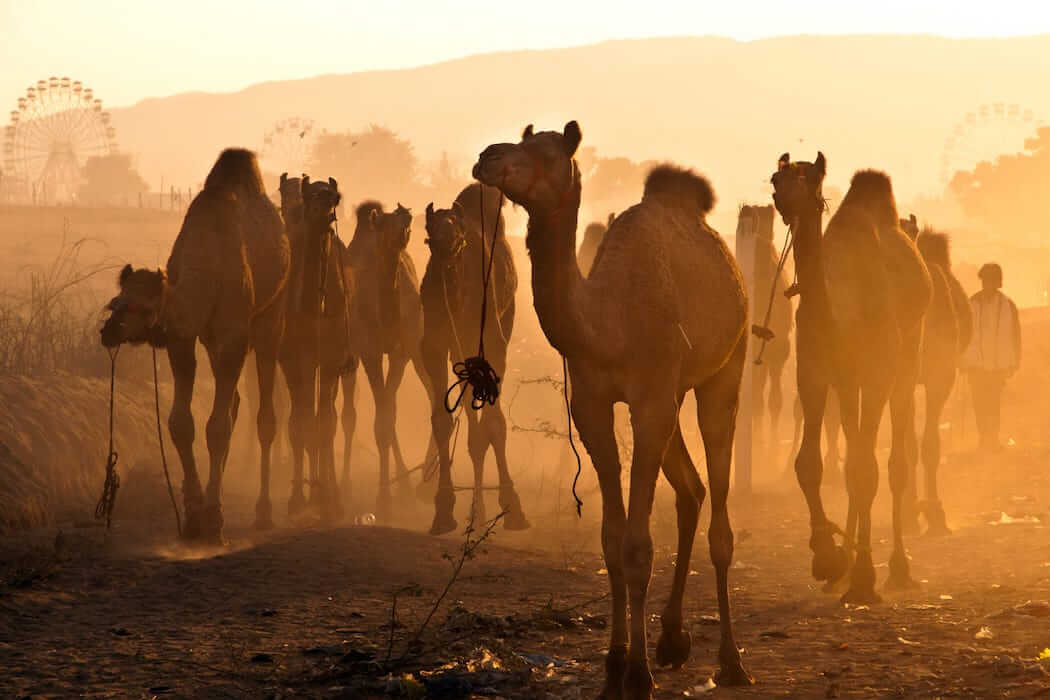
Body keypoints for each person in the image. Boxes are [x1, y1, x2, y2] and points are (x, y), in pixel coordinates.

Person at [961, 263, 1021, 452]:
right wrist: (961, 361)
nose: (988, 284)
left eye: (992, 281)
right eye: (986, 280)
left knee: (993, 404)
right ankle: (984, 439)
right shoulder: (971, 304)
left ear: (998, 282)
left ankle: (992, 439)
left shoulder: (1008, 306)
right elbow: (963, 334)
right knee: (979, 405)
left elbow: (1015, 335)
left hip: (997, 366)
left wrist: (1015, 361)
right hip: (976, 366)